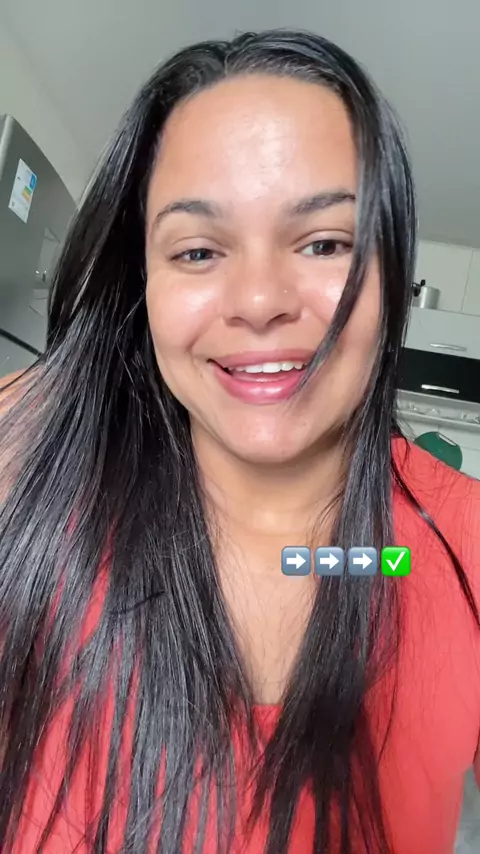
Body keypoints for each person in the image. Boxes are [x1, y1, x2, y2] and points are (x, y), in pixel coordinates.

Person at [0, 28, 478, 854]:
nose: (259, 301)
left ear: (394, 273)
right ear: (143, 286)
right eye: (197, 250)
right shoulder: (27, 480)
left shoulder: (442, 544)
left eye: (325, 242)